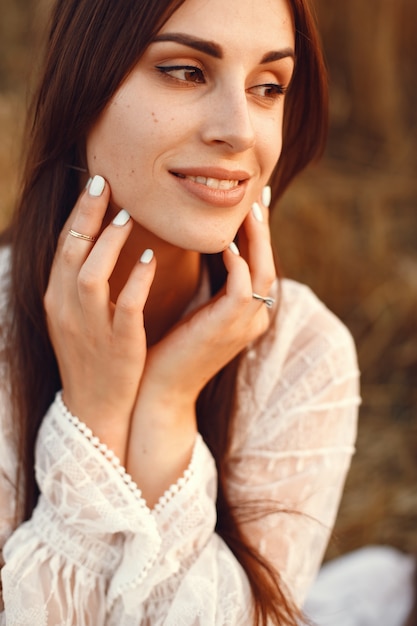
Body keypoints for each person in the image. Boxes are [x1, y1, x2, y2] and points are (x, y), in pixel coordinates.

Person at [0, 0, 360, 624]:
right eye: (186, 71)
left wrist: (167, 402)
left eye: (268, 86)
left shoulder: (304, 353)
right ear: (82, 83)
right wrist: (94, 417)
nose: (241, 130)